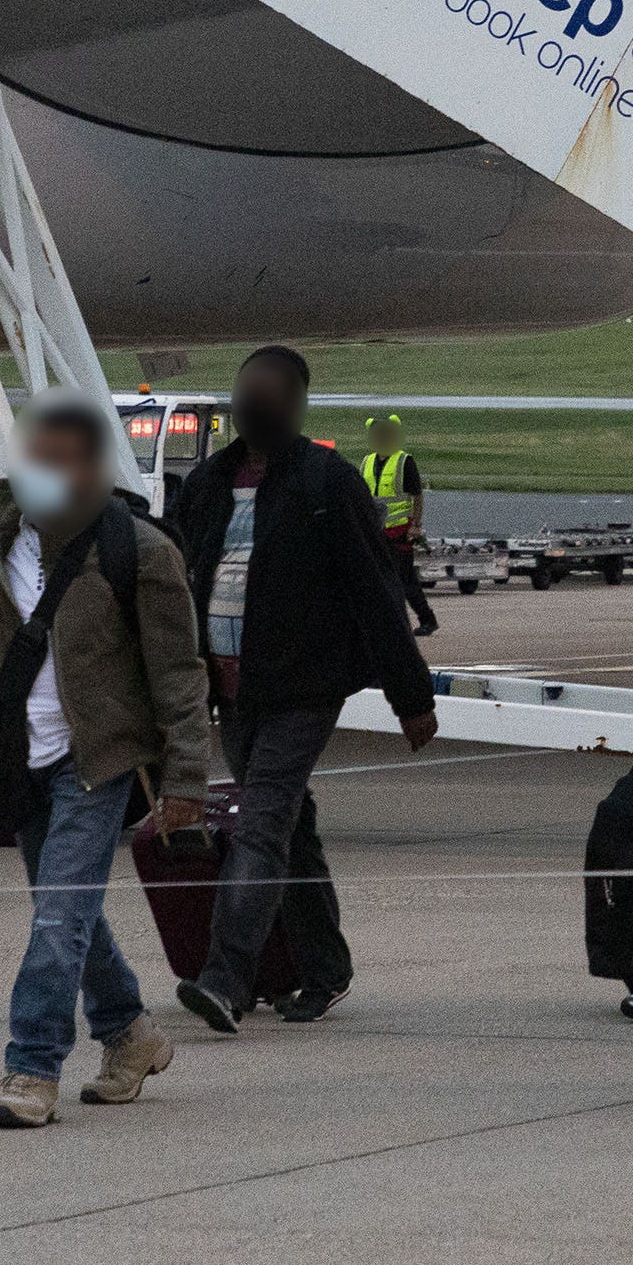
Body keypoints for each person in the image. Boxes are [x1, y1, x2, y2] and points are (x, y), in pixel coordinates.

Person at [0, 395, 213, 1129]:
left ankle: (31, 1066)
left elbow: (179, 675)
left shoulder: (142, 553)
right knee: (68, 910)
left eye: (58, 462)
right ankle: (130, 1032)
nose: (40, 474)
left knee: (59, 916)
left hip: (98, 760)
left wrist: (185, 780)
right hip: (19, 756)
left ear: (93, 469)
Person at [164, 346, 440, 1032]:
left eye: (268, 390)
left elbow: (376, 591)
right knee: (291, 824)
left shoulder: (327, 483)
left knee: (260, 825)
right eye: (245, 389)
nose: (252, 401)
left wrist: (412, 698)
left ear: (294, 403)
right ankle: (325, 968)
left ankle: (227, 979)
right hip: (235, 691)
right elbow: (179, 579)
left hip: (303, 689)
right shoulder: (208, 483)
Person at [357, 412, 440, 638]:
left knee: (405, 581)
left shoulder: (404, 461)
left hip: (399, 531)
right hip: (375, 532)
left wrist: (416, 525)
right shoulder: (367, 462)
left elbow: (417, 495)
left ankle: (426, 619)